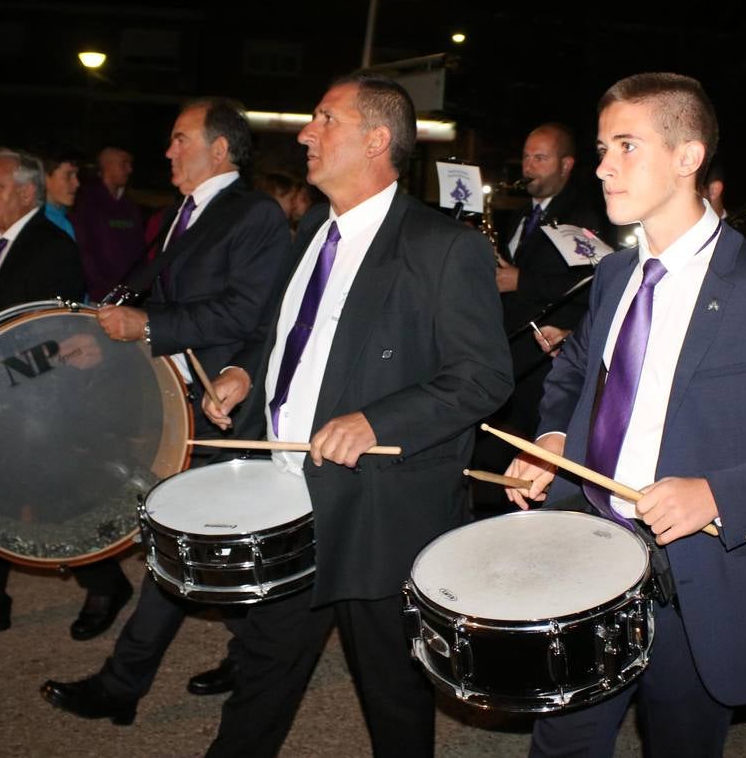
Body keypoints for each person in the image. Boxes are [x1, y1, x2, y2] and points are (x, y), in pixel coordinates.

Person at [504, 72, 746, 757]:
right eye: (601, 148)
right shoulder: (617, 275)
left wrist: (719, 493)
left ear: (688, 156)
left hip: (696, 577)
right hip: (591, 554)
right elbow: (576, 368)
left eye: (626, 146)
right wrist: (552, 438)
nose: (602, 167)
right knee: (561, 743)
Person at [196, 74, 512, 758]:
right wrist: (242, 372)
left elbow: (484, 376)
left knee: (393, 697)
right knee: (261, 676)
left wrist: (377, 421)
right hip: (284, 497)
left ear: (376, 139)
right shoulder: (312, 226)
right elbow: (277, 334)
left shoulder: (441, 247)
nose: (306, 134)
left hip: (377, 511)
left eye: (324, 119)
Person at [40, 98, 289, 722]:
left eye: (181, 139)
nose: (169, 151)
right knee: (212, 544)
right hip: (177, 402)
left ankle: (122, 686)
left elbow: (245, 313)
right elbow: (148, 289)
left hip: (223, 408)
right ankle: (252, 653)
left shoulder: (253, 211)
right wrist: (101, 337)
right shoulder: (185, 212)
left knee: (179, 545)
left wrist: (149, 326)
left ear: (221, 150)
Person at [0, 150, 133, 639]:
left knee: (56, 496)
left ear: (27, 192)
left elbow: (25, 328)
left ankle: (105, 583)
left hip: (43, 399)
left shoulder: (51, 246)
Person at [473, 122, 609, 514]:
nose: (528, 166)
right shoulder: (520, 215)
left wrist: (521, 280)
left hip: (548, 361)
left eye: (540, 158)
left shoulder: (586, 213)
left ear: (566, 165)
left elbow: (591, 280)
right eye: (527, 157)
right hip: (512, 353)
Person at [73, 146, 144, 301]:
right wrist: (100, 288)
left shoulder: (130, 206)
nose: (129, 169)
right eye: (123, 164)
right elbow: (84, 251)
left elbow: (140, 251)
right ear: (108, 165)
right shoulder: (86, 203)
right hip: (97, 297)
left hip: (128, 297)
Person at [42, 151, 81, 240]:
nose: (77, 183)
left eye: (76, 175)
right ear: (45, 179)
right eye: (68, 175)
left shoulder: (66, 219)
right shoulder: (39, 224)